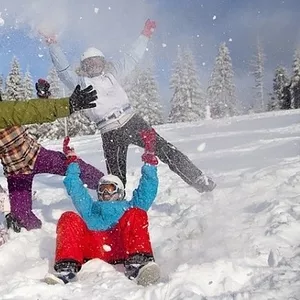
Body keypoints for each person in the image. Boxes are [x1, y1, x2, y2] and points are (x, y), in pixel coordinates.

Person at [42, 19, 216, 194]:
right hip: (109, 131)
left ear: (103, 64)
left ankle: (198, 179)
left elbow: (131, 57)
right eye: (90, 63)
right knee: (116, 177)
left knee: (165, 149)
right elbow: (63, 70)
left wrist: (145, 35)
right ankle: (117, 210)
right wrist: (52, 44)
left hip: (132, 121)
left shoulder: (113, 75)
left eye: (97, 62)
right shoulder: (81, 83)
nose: (94, 66)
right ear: (84, 67)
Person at [44, 128, 160, 286]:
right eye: (102, 189)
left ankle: (138, 265)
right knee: (69, 217)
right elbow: (75, 188)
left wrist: (149, 160)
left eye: (110, 189)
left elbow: (148, 188)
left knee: (137, 213)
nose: (105, 193)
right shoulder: (91, 209)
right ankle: (66, 270)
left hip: (122, 247)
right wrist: (72, 162)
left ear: (119, 192)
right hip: (94, 247)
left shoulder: (129, 206)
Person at [0, 80, 104, 232]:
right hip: (16, 172)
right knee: (23, 220)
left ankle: (107, 187)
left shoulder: (5, 110)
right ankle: (34, 235)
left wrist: (67, 104)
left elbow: (32, 111)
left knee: (74, 166)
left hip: (37, 156)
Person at [0, 80, 97, 128]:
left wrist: (67, 105)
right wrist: (67, 105)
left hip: (29, 151)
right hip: (22, 159)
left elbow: (18, 111)